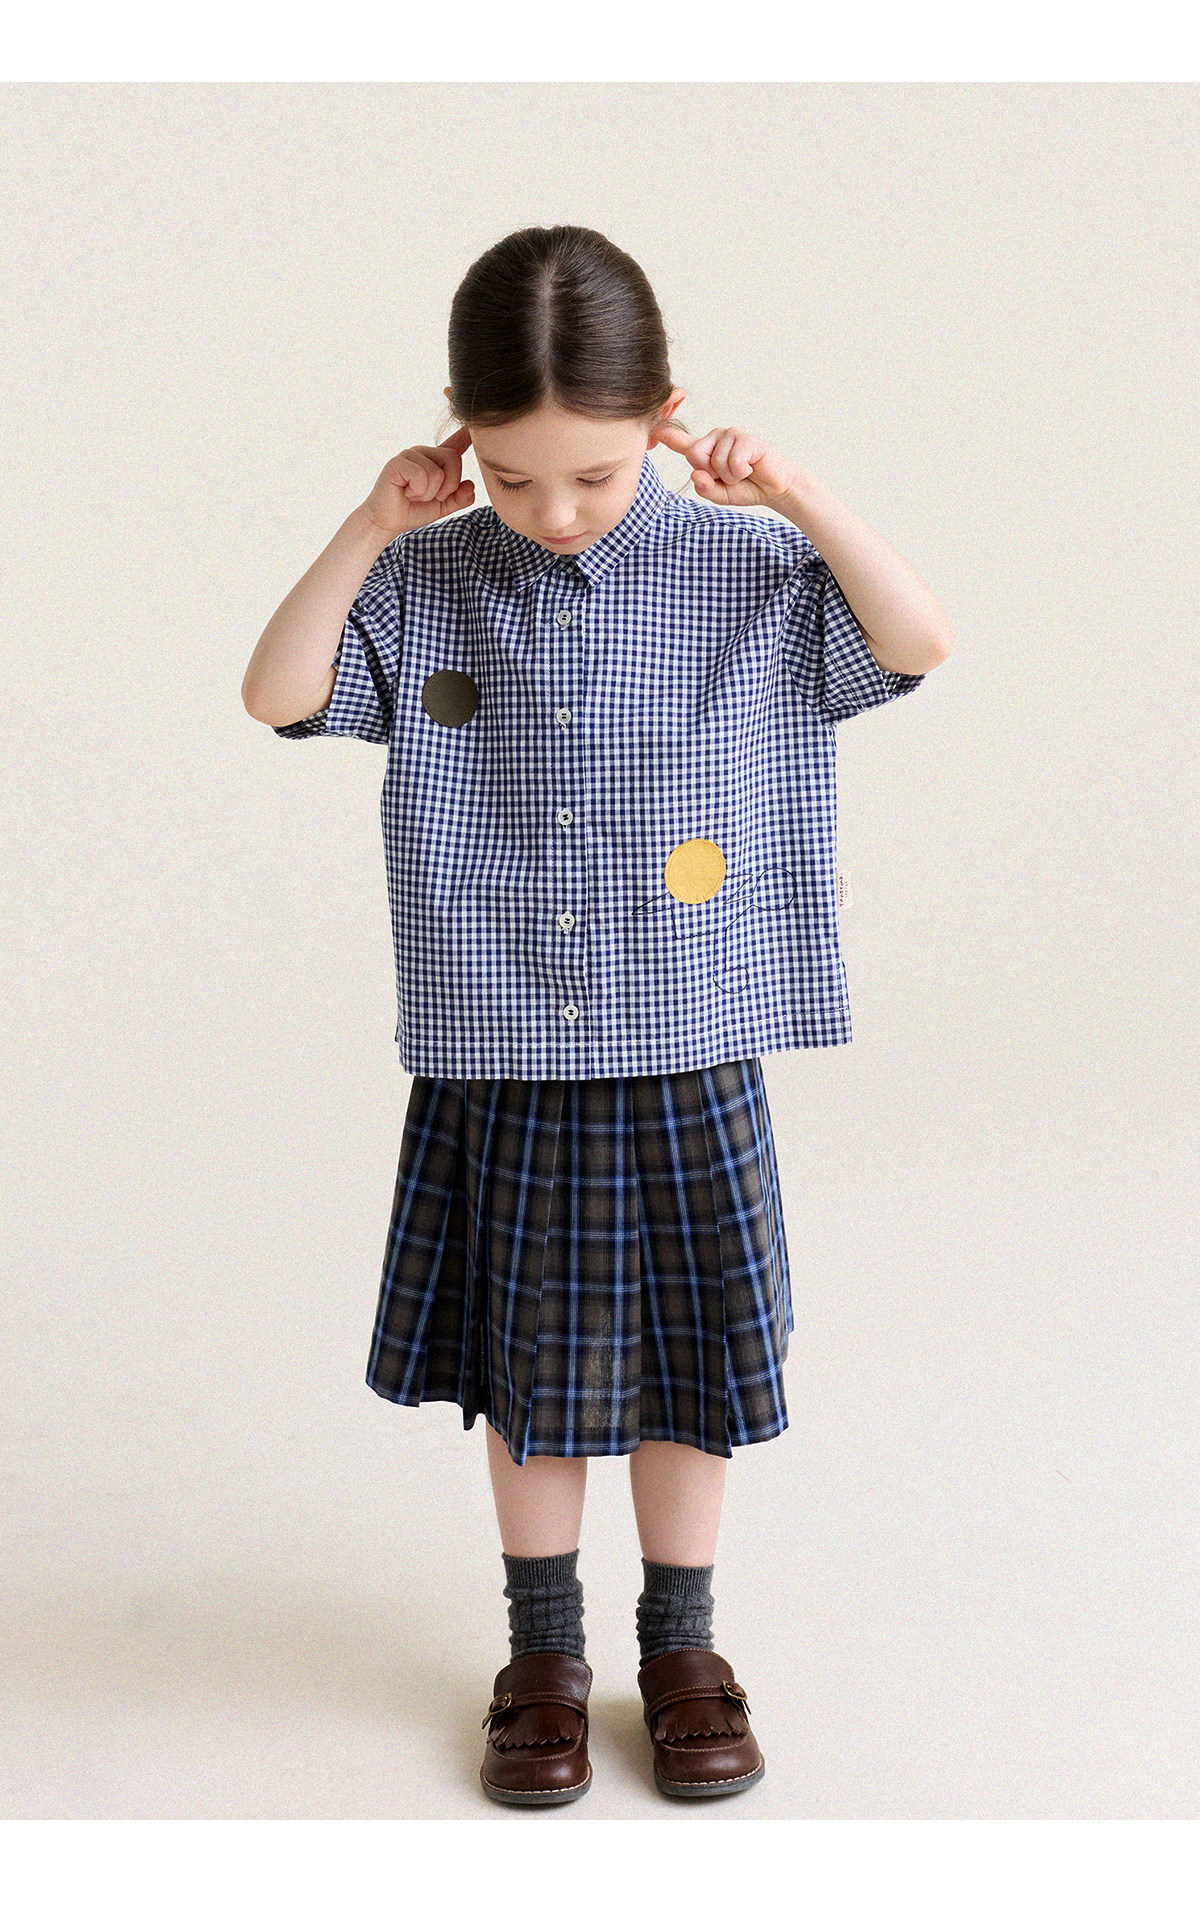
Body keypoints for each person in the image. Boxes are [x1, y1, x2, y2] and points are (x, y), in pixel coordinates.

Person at [241, 223, 953, 1807]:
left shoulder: (752, 572)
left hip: (689, 1030)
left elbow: (918, 644)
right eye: (512, 476)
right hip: (505, 1041)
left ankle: (682, 1647)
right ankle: (543, 1655)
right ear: (460, 434)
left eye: (595, 474)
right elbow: (279, 693)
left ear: (664, 421)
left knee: (696, 1362)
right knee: (532, 1369)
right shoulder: (426, 582)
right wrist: (369, 524)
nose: (553, 510)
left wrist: (799, 495)